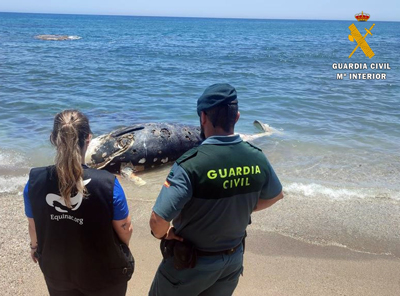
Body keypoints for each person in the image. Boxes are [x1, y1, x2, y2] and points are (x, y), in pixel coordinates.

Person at [149, 83, 284, 296]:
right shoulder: (257, 157)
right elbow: (276, 195)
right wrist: (241, 207)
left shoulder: (190, 164)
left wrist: (164, 235)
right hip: (232, 261)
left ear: (203, 117)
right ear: (237, 117)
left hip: (190, 263)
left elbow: (158, 220)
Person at [23, 110, 134, 296]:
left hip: (57, 273)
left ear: (53, 139)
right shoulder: (107, 183)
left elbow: (33, 226)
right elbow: (125, 229)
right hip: (104, 276)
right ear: (88, 139)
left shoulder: (35, 182)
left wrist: (34, 248)